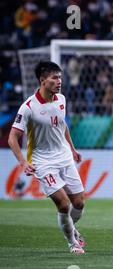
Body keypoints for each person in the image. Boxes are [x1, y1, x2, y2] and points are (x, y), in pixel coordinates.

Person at [8, 61, 86, 254]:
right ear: (43, 80)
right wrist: (23, 162)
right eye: (54, 78)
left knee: (79, 203)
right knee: (64, 203)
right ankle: (72, 243)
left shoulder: (61, 99)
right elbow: (12, 138)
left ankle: (71, 227)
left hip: (65, 157)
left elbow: (62, 125)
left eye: (60, 77)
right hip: (43, 161)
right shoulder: (28, 107)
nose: (59, 81)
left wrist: (73, 149)